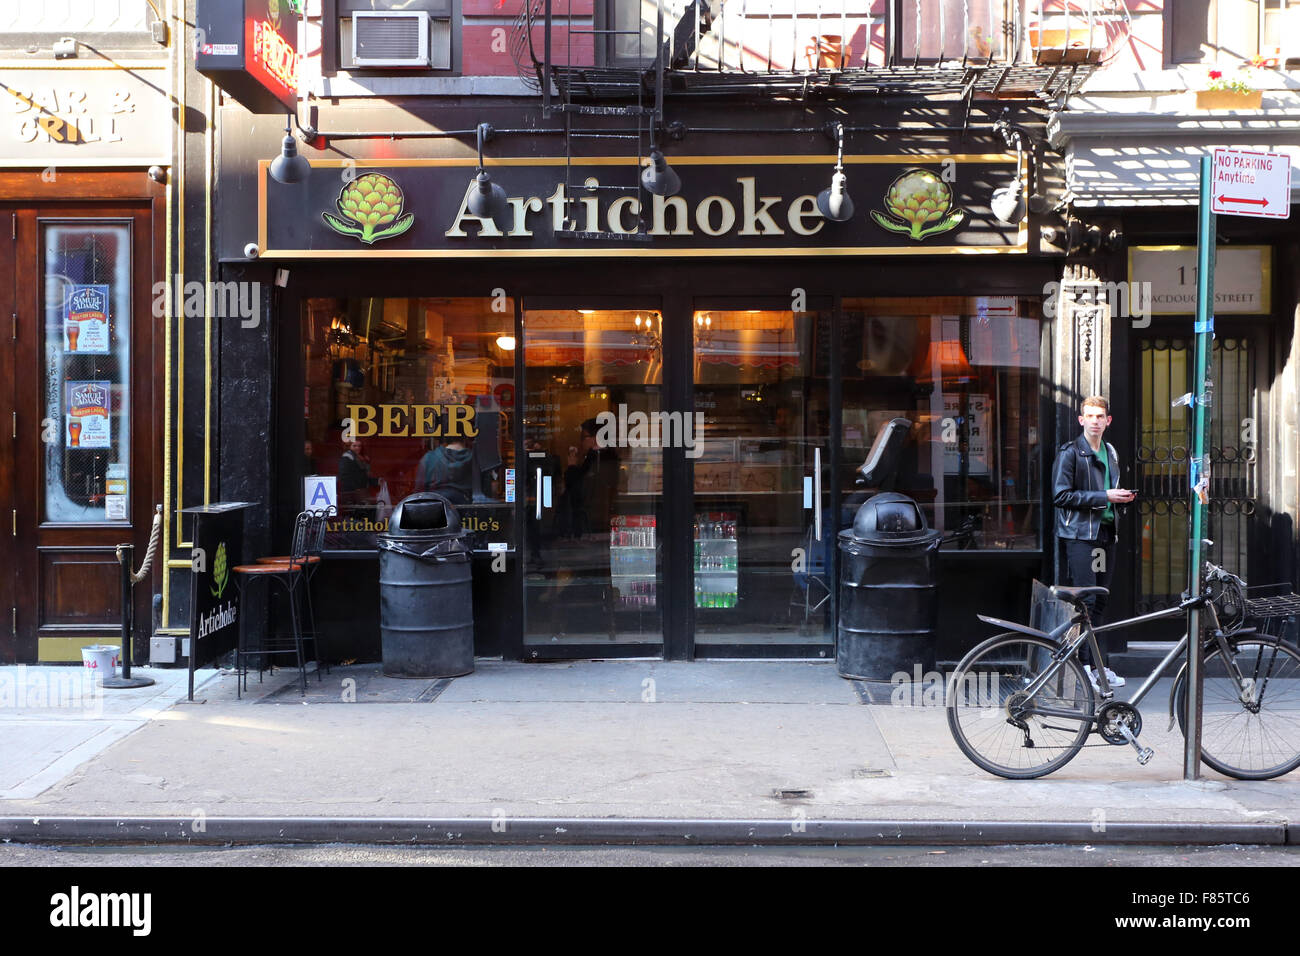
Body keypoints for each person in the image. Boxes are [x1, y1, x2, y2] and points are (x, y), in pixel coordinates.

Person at [1052, 395, 1136, 689]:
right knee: (1085, 602)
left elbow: (1108, 492)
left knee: (1100, 602)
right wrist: (1105, 498)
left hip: (1104, 535)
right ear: (1081, 420)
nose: (1095, 421)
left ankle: (1099, 667)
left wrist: (1120, 499)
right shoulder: (1071, 452)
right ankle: (1083, 666)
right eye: (1090, 416)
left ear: (1108, 421)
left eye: (1100, 416)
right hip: (1079, 537)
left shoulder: (1110, 451)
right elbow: (1060, 496)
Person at [415, 436, 474, 505]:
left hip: (434, 510)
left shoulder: (429, 458)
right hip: (467, 511)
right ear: (467, 437)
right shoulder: (475, 459)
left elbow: (418, 494)